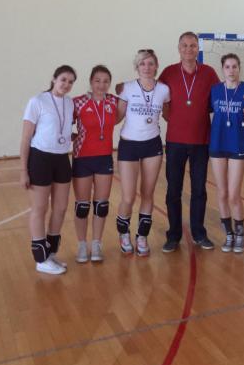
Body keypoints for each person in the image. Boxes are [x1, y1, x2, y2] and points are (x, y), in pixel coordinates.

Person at [158, 32, 220, 252]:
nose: (188, 49)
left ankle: (199, 233)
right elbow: (156, 96)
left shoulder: (209, 73)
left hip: (201, 141)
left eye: (193, 45)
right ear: (178, 48)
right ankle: (173, 235)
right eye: (184, 45)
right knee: (173, 190)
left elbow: (218, 101)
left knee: (199, 190)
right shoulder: (168, 72)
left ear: (198, 48)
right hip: (175, 141)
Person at [19, 65, 77, 275]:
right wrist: (23, 170)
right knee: (40, 208)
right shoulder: (37, 101)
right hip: (40, 158)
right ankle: (40, 259)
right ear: (54, 79)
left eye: (70, 82)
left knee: (60, 208)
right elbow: (26, 137)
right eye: (63, 79)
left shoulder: (70, 103)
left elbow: (60, 127)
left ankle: (50, 253)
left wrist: (70, 136)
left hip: (61, 158)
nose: (66, 84)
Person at [115, 50, 170, 257]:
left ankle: (142, 236)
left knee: (147, 194)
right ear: (137, 67)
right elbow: (117, 117)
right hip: (129, 145)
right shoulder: (127, 88)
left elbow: (170, 115)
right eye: (142, 64)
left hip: (152, 145)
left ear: (156, 66)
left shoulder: (164, 89)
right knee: (128, 196)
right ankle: (123, 234)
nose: (146, 67)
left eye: (150, 63)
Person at [209, 54, 244, 253]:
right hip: (217, 145)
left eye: (234, 66)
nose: (231, 70)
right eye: (227, 67)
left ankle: (240, 234)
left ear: (239, 68)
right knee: (222, 193)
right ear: (222, 69)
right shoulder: (215, 90)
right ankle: (228, 234)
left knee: (234, 194)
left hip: (237, 145)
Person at [71, 65, 119, 263]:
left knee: (101, 205)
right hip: (82, 158)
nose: (102, 85)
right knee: (82, 206)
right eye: (97, 80)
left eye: (106, 81)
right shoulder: (78, 102)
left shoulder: (114, 101)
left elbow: (121, 114)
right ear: (91, 81)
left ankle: (97, 243)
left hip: (104, 158)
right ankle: (82, 245)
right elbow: (62, 123)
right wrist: (71, 137)